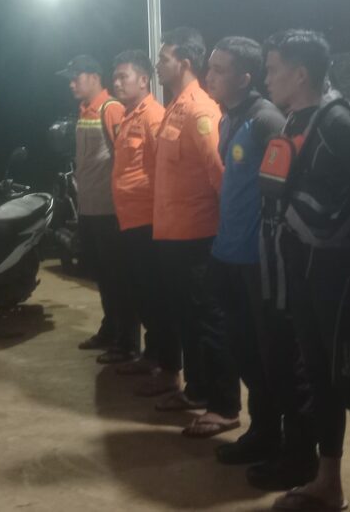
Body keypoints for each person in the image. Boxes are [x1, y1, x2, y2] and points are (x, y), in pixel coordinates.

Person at [260, 30, 350, 512]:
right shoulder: (296, 118)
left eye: (273, 69)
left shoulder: (336, 122)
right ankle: (328, 483)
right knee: (319, 379)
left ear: (300, 74)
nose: (267, 79)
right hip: (304, 268)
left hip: (337, 275)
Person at [203, 37, 304, 458]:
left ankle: (277, 440)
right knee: (243, 350)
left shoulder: (266, 119)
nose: (210, 77)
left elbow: (290, 184)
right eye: (210, 67)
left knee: (269, 356)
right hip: (228, 252)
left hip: (258, 260)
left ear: (245, 78)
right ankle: (261, 432)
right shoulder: (228, 119)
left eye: (219, 70)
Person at [151, 27, 234, 433]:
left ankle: (225, 406)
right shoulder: (175, 108)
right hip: (174, 237)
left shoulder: (201, 110)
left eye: (163, 58)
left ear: (184, 62)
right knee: (188, 320)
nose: (157, 65)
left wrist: (226, 235)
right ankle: (198, 390)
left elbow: (219, 175)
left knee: (209, 322)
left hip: (199, 238)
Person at [109, 49, 179, 397]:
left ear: (143, 80)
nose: (117, 83)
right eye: (115, 77)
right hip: (131, 221)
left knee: (157, 298)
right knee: (143, 295)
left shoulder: (153, 116)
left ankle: (167, 367)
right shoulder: (128, 116)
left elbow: (161, 172)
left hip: (149, 223)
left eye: (123, 77)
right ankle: (152, 356)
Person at [60, 55, 132, 362]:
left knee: (118, 278)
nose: (71, 83)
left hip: (109, 212)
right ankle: (110, 329)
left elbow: (124, 158)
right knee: (102, 276)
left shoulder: (110, 109)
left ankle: (127, 342)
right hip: (89, 210)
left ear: (94, 76)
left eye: (76, 77)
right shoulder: (84, 111)